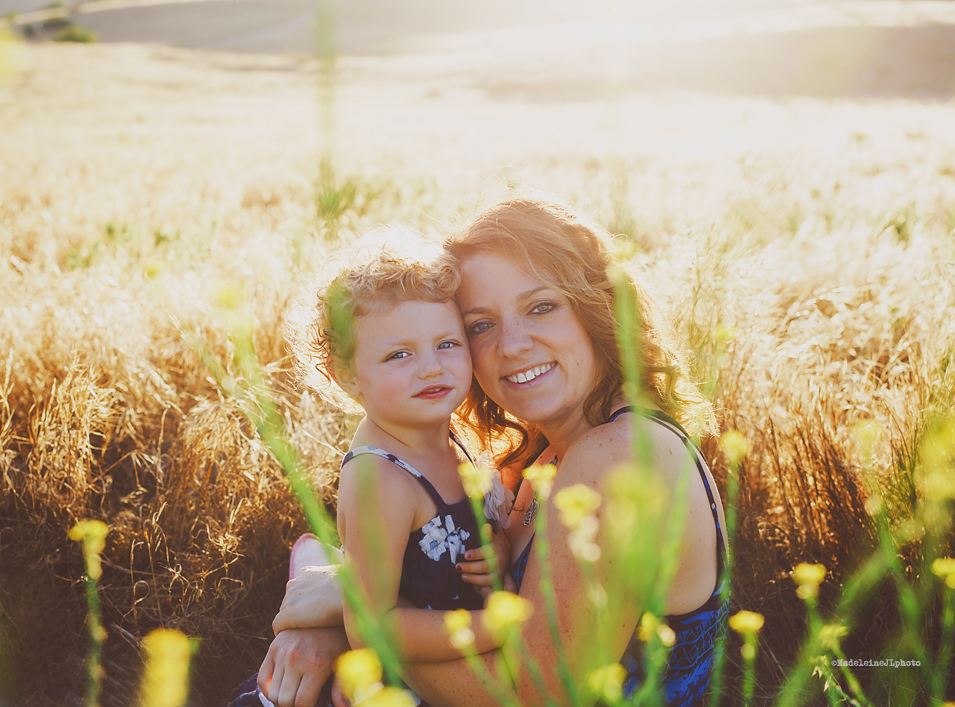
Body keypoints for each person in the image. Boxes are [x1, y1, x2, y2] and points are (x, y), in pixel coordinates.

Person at [256, 198, 729, 707]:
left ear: (597, 307)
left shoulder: (619, 455)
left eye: (541, 307)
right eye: (481, 324)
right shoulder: (545, 453)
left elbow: (533, 693)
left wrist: (353, 628)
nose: (513, 344)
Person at [230, 228, 517, 707]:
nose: (431, 367)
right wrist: (491, 627)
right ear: (348, 377)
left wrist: (499, 551)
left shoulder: (449, 431)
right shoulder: (381, 478)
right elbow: (371, 625)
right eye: (399, 355)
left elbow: (476, 524)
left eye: (447, 343)